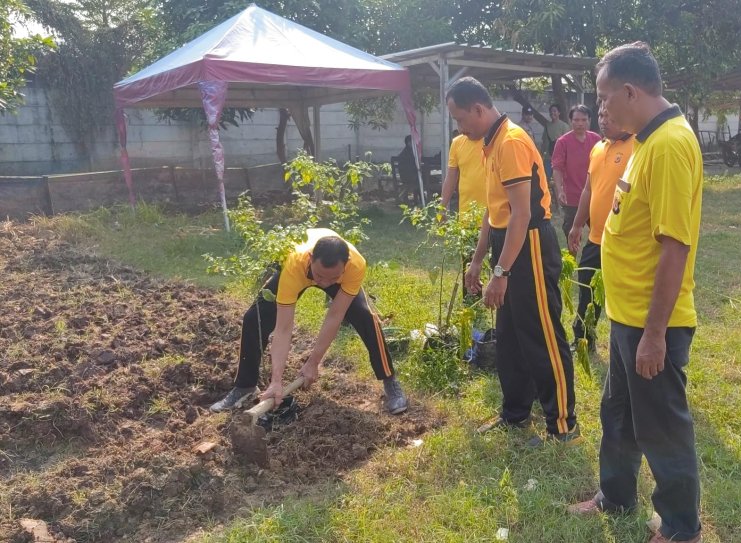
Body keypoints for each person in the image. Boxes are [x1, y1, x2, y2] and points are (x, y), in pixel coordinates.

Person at [568, 42, 703, 543]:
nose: (600, 108)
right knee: (618, 413)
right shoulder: (645, 140)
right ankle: (616, 495)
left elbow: (674, 247)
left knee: (662, 427)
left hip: (652, 322)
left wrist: (653, 334)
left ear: (630, 91)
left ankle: (679, 528)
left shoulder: (668, 145)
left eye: (604, 98)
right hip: (627, 315)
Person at [446, 76, 578, 447]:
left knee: (542, 335)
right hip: (508, 242)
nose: (460, 127)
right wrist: (477, 262)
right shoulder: (489, 143)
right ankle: (516, 414)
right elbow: (494, 211)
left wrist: (500, 273)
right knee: (509, 336)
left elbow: (521, 214)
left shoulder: (512, 142)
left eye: (460, 119)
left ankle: (563, 425)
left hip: (531, 243)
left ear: (478, 109)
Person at [210, 228, 408, 415]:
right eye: (320, 276)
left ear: (345, 265)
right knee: (254, 318)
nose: (324, 283)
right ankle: (245, 386)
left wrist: (313, 363)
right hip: (297, 270)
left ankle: (390, 380)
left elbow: (335, 315)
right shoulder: (294, 265)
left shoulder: (355, 266)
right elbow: (284, 327)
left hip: (336, 274)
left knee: (366, 317)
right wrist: (276, 381)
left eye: (333, 278)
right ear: (310, 259)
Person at [567, 109, 633, 352]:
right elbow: (588, 189)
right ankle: (584, 338)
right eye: (601, 116)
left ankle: (625, 345)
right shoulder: (597, 148)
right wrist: (576, 225)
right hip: (596, 238)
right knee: (586, 286)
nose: (604, 121)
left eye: (610, 115)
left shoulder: (638, 147)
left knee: (621, 294)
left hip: (623, 239)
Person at [550, 105, 601, 238]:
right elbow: (557, 168)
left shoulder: (596, 139)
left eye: (584, 120)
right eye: (576, 120)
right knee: (572, 236)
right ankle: (571, 259)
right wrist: (560, 190)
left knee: (600, 235)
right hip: (572, 198)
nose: (580, 124)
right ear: (570, 121)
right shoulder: (562, 142)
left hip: (595, 196)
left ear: (589, 120)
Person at [440, 130, 487, 214]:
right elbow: (451, 177)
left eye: (462, 120)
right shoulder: (457, 143)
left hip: (493, 217)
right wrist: (442, 208)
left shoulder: (493, 141)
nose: (460, 128)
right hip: (466, 214)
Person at [542, 104, 569, 185]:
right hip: (548, 158)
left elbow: (567, 144)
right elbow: (544, 142)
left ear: (559, 113)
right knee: (546, 180)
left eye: (555, 111)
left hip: (560, 158)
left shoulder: (564, 126)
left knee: (559, 181)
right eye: (551, 111)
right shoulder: (547, 126)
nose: (552, 113)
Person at [395, 135, 420, 203]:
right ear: (409, 143)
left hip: (404, 176)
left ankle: (417, 199)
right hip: (409, 177)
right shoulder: (409, 153)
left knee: (420, 178)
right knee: (422, 179)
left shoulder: (405, 152)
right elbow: (414, 166)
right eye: (414, 142)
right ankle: (418, 199)